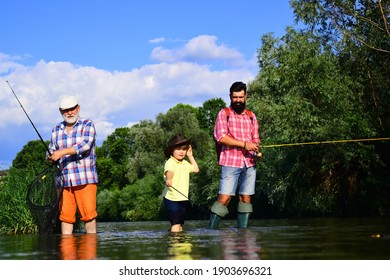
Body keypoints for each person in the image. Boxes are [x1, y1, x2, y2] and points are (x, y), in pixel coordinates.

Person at [208, 81, 261, 229]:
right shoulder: (223, 114)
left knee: (246, 198)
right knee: (224, 198)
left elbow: (255, 139)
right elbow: (221, 137)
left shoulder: (251, 116)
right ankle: (210, 232)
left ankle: (243, 233)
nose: (238, 100)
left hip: (249, 163)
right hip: (230, 162)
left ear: (246, 97)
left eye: (241, 97)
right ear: (230, 97)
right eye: (235, 97)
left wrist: (257, 152)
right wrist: (245, 144)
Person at [47, 96, 98, 234]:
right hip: (63, 181)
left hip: (85, 179)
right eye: (66, 110)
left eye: (72, 109)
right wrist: (51, 157)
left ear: (78, 108)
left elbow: (85, 144)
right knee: (65, 218)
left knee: (89, 216)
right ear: (61, 111)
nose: (70, 112)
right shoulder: (56, 128)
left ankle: (90, 251)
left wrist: (61, 153)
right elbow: (52, 149)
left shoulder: (87, 124)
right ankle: (67, 251)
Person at [163, 134, 199, 233]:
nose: (181, 151)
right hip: (171, 198)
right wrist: (169, 179)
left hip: (183, 198)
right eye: (178, 149)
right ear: (172, 150)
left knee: (180, 224)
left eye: (184, 149)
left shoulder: (185, 163)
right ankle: (175, 244)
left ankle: (180, 244)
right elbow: (169, 171)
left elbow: (196, 169)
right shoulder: (170, 162)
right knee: (176, 223)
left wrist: (190, 156)